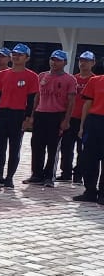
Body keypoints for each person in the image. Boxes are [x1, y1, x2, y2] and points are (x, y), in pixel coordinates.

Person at [0, 44, 39, 189]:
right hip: (2, 112)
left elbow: (32, 99)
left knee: (14, 147)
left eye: (20, 54)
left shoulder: (32, 76)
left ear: (27, 58)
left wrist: (28, 118)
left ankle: (9, 178)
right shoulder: (3, 74)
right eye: (14, 54)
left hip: (18, 114)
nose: (16, 57)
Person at [26, 50, 77, 187]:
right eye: (52, 59)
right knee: (37, 145)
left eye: (58, 60)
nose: (54, 62)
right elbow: (37, 96)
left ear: (65, 62)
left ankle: (49, 176)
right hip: (40, 114)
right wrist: (32, 115)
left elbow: (71, 101)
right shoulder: (42, 75)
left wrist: (66, 120)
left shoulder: (69, 79)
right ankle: (36, 174)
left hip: (57, 115)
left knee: (53, 148)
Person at [60, 50, 96, 183]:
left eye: (87, 61)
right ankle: (66, 172)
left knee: (82, 150)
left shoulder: (95, 80)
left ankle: (78, 174)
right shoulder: (72, 79)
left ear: (93, 63)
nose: (83, 63)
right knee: (66, 147)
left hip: (86, 120)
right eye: (81, 60)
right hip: (71, 118)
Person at [72, 66, 104, 204]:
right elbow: (87, 104)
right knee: (89, 159)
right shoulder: (95, 81)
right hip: (95, 122)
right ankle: (90, 191)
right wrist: (82, 126)